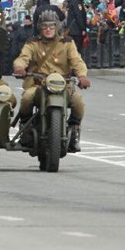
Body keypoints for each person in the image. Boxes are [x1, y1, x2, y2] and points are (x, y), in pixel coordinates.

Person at [12, 10, 90, 152]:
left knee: (78, 102)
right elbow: (23, 57)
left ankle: (73, 130)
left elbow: (77, 61)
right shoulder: (33, 43)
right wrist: (19, 67)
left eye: (51, 26)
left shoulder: (67, 43)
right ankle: (26, 129)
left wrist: (82, 76)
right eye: (44, 26)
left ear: (57, 27)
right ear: (39, 28)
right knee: (26, 99)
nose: (48, 29)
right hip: (38, 84)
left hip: (63, 85)